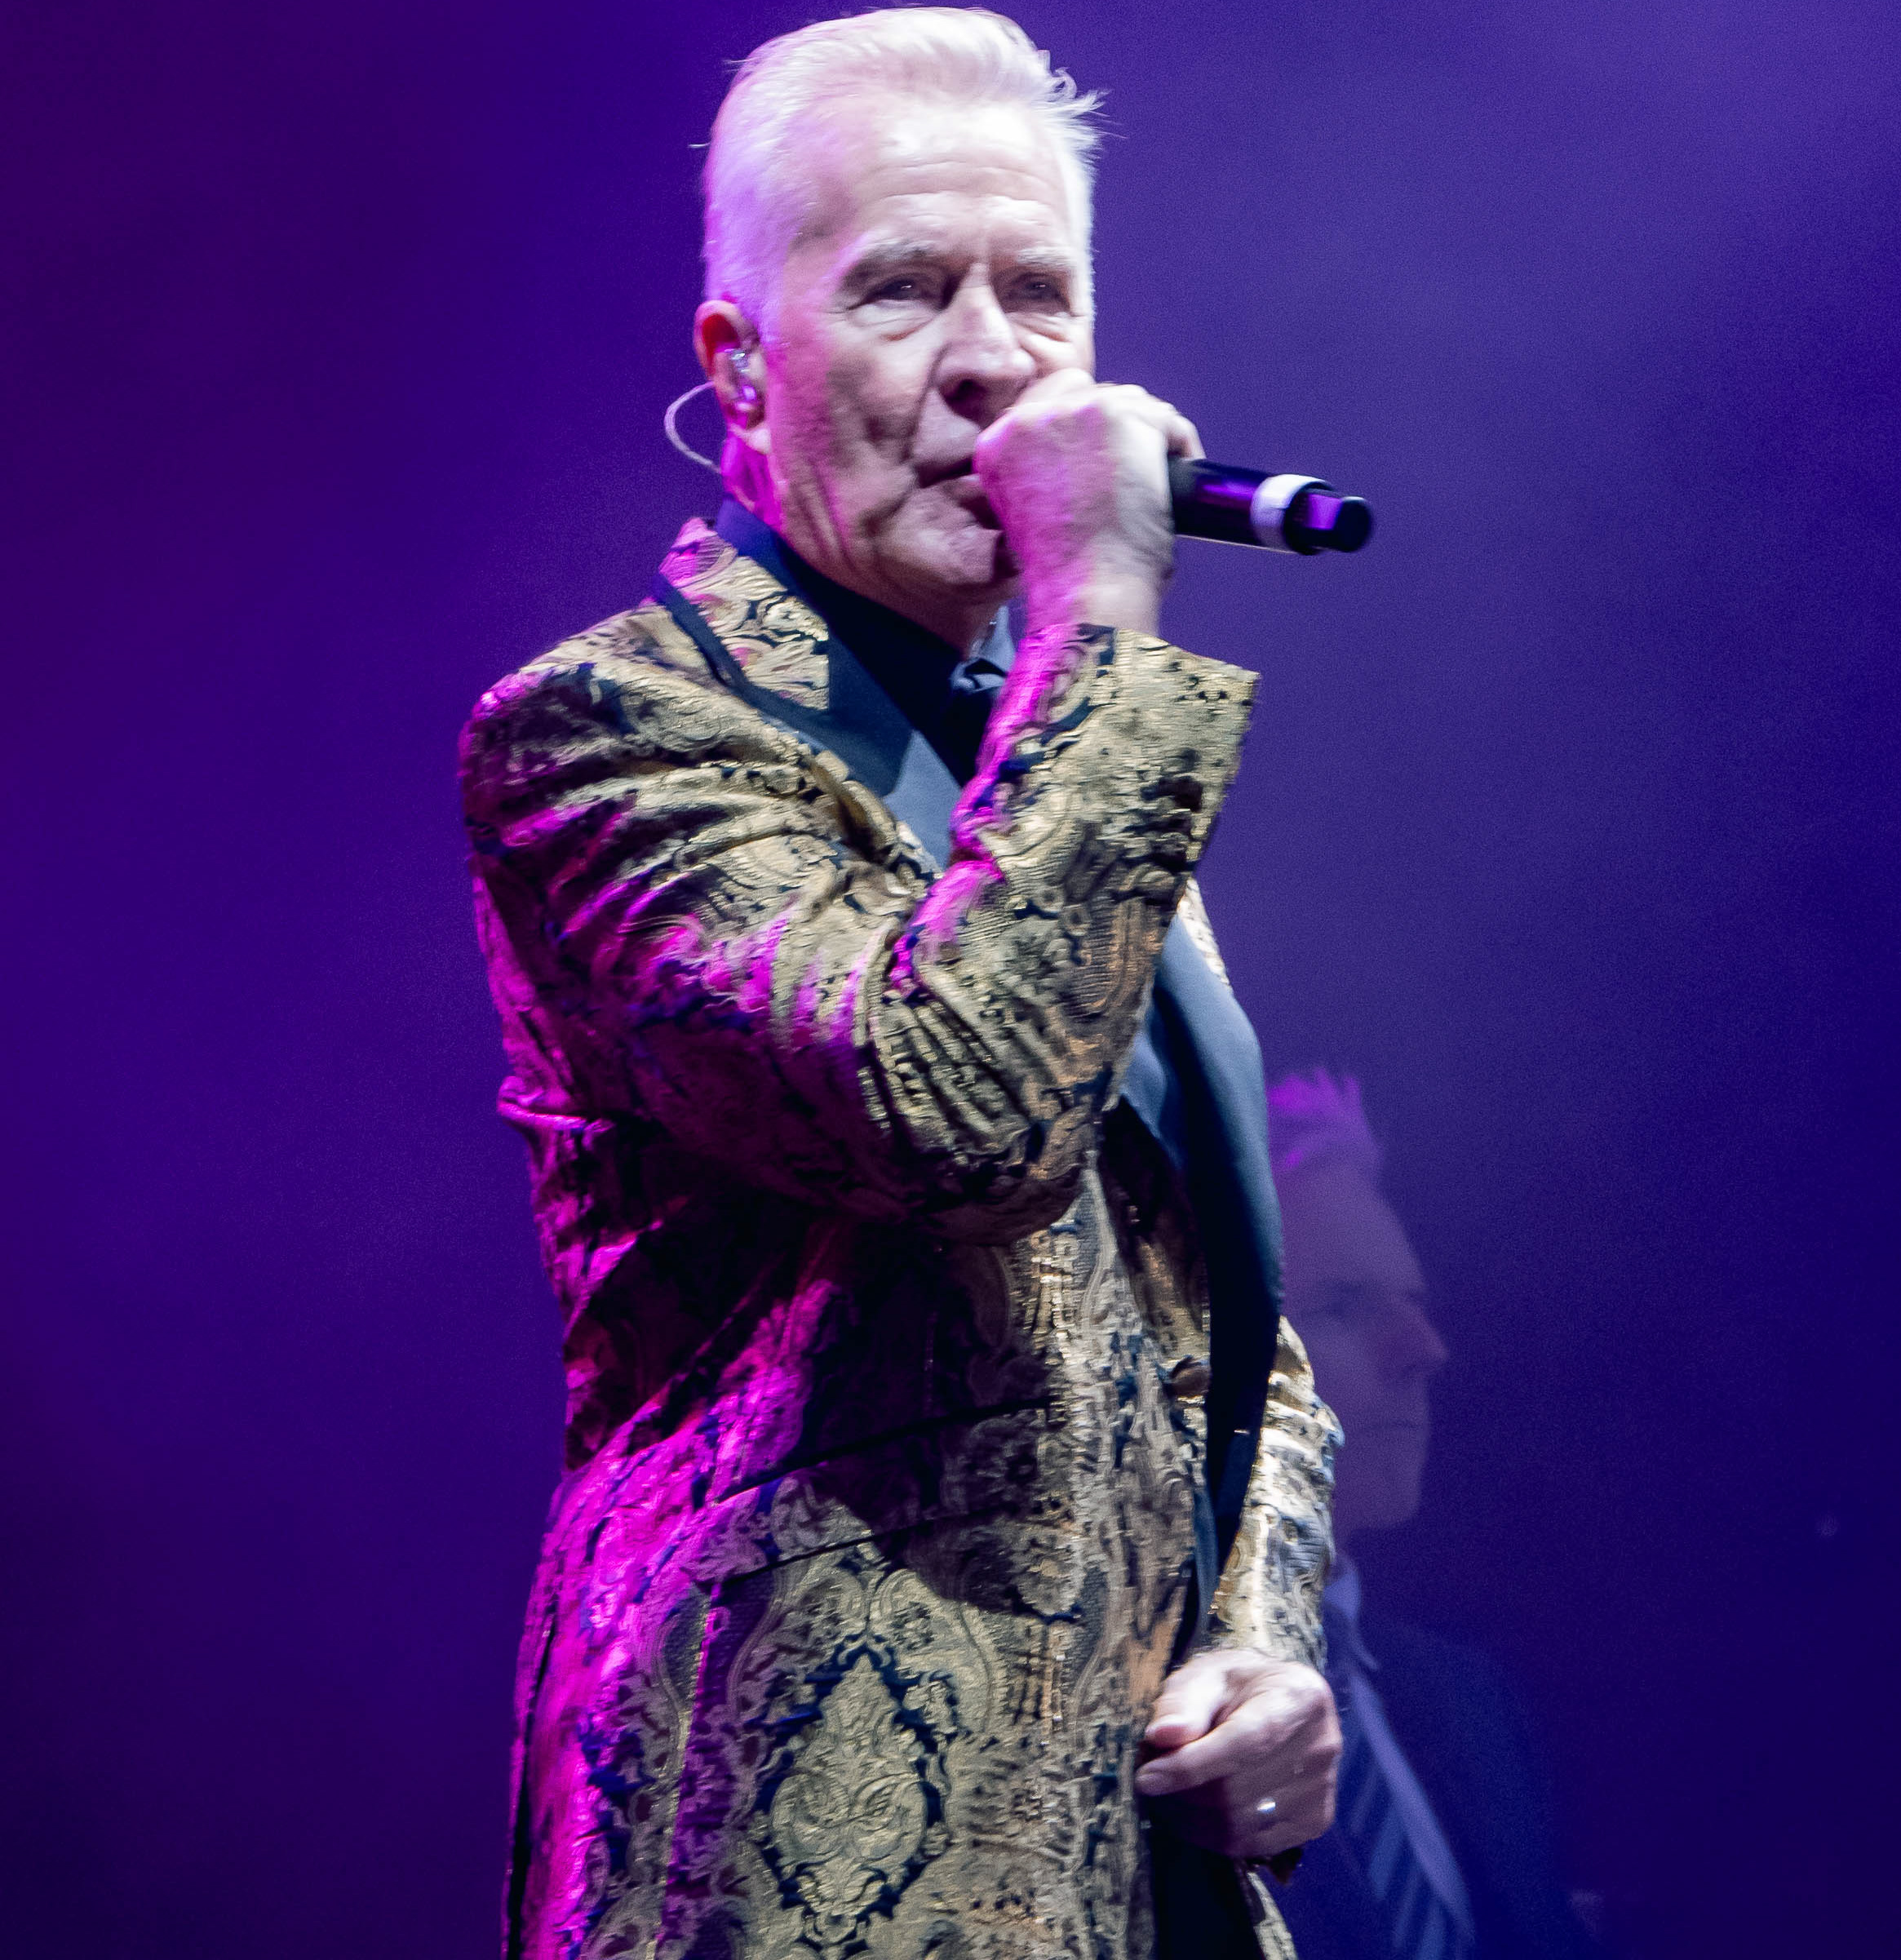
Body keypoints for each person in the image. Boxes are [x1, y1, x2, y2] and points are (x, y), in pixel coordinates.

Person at [457, 13, 1340, 1957]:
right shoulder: (614, 738)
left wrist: (1263, 1638)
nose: (990, 357)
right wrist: (1101, 626)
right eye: (903, 289)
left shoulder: (1043, 758)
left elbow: (1225, 1323)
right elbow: (957, 1121)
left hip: (1130, 1878)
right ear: (739, 368)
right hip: (794, 1860)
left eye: (1040, 293)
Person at [1265, 1072, 1601, 1960]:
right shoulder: (1109, 1702)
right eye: (1341, 1304)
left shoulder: (1471, 1701)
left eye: (1412, 1304)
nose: (1425, 1349)